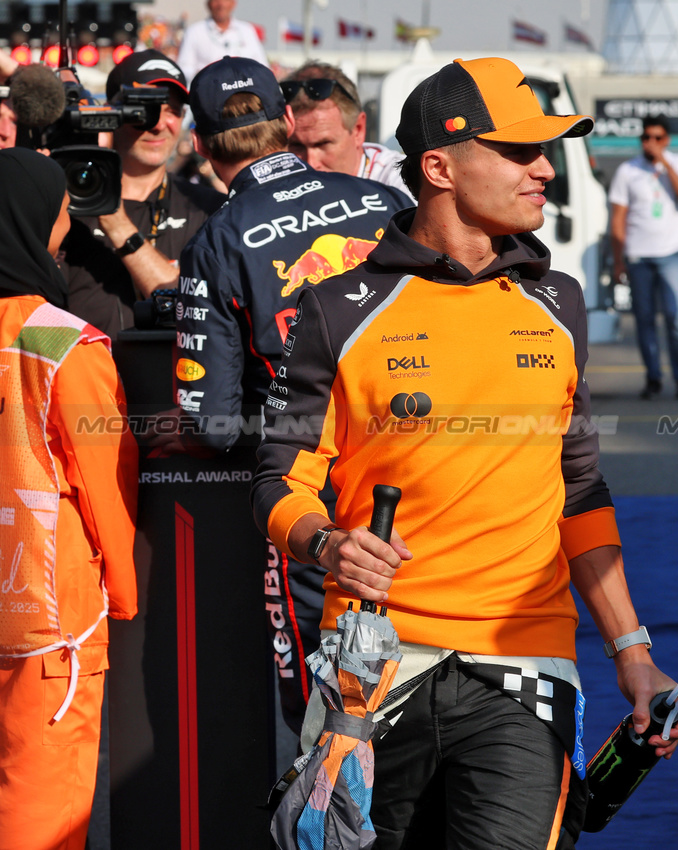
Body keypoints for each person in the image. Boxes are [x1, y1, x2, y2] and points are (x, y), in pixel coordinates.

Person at [252, 56, 678, 849]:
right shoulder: (337, 307)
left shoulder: (556, 302)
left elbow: (580, 491)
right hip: (372, 667)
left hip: (524, 667)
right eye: (519, 151)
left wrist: (634, 653)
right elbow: (278, 481)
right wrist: (324, 541)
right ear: (438, 166)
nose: (543, 169)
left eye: (544, 151)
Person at [170, 56, 411, 732]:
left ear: (199, 145)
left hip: (313, 499)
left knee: (327, 719)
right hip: (428, 466)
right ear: (285, 123)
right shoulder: (386, 201)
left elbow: (211, 422)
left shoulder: (217, 240)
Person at [0, 148, 138, 850]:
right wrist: (123, 585)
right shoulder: (60, 337)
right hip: (44, 607)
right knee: (43, 793)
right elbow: (103, 473)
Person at [59, 50, 226, 340]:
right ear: (109, 114)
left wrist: (116, 223)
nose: (158, 124)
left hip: (174, 381)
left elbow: (199, 313)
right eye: (143, 110)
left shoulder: (210, 209)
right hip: (85, 381)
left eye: (172, 110)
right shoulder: (65, 203)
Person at [608, 115, 678, 400]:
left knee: (676, 318)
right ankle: (653, 377)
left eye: (658, 138)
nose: (651, 143)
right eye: (646, 138)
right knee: (644, 320)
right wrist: (618, 259)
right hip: (638, 255)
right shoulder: (627, 171)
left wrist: (666, 164)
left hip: (671, 253)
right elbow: (618, 218)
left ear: (666, 140)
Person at [282, 61, 412, 195]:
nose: (311, 163)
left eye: (323, 144)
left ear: (358, 130)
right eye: (296, 145)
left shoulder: (401, 186)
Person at [175, 0, 268, 82]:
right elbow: (184, 68)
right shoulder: (194, 31)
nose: (221, 4)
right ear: (208, 4)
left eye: (225, 0)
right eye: (216, 0)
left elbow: (262, 66)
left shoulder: (247, 30)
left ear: (233, 3)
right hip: (209, 93)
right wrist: (205, 74)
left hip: (243, 95)